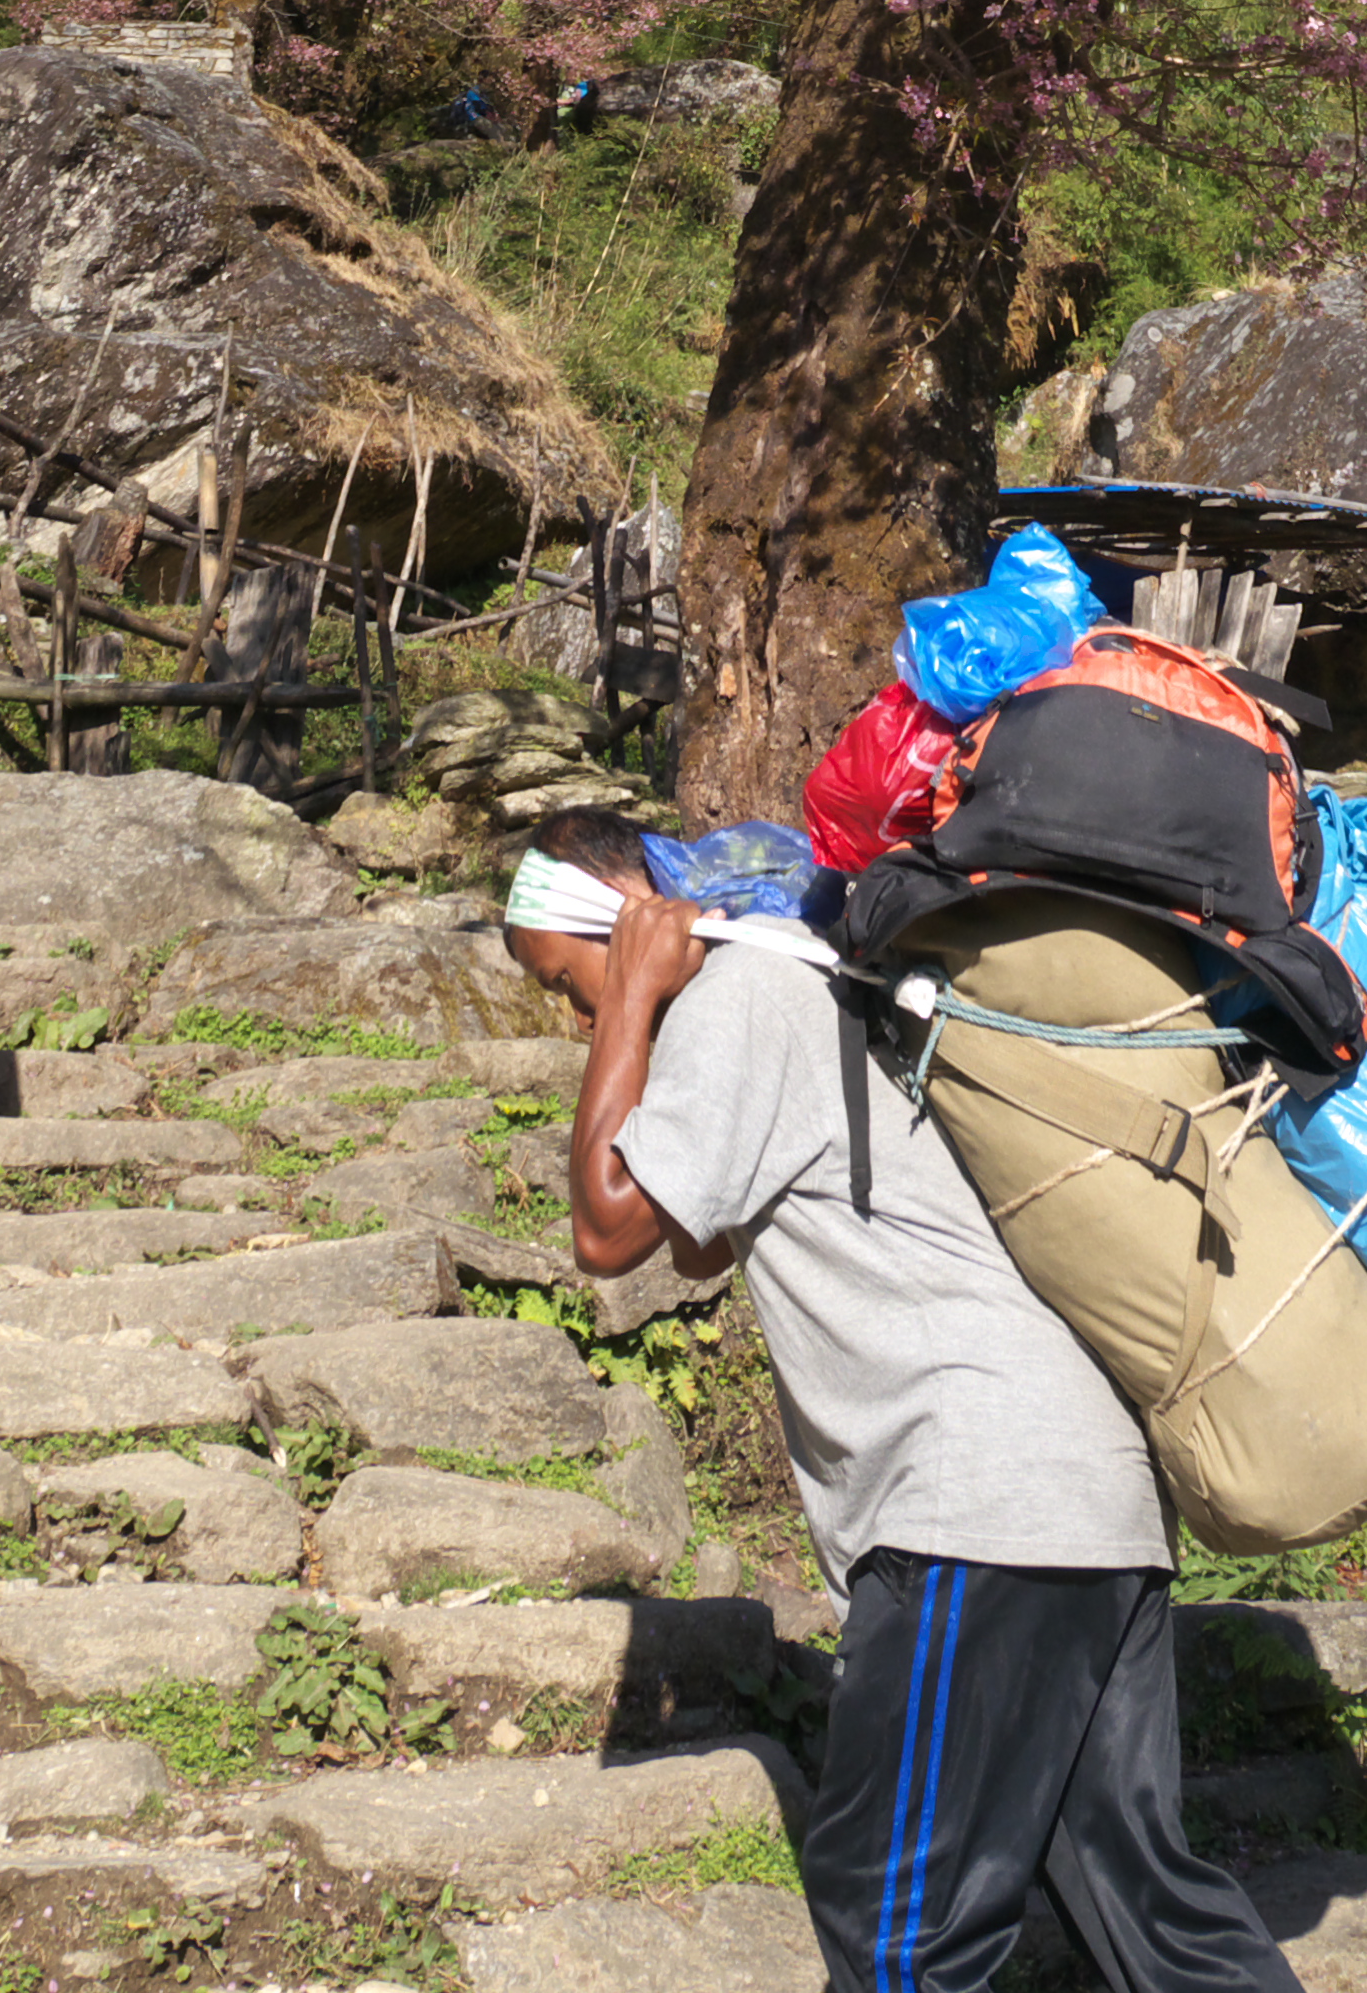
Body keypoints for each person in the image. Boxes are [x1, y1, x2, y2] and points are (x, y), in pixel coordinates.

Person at [504, 811, 1304, 1993]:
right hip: (1094, 1504)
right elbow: (699, 1246)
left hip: (971, 1517)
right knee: (1154, 1914)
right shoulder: (829, 989)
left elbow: (608, 1227)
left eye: (566, 983)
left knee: (898, 1933)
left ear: (620, 925)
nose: (576, 1018)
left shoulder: (744, 1002)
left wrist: (630, 1001)